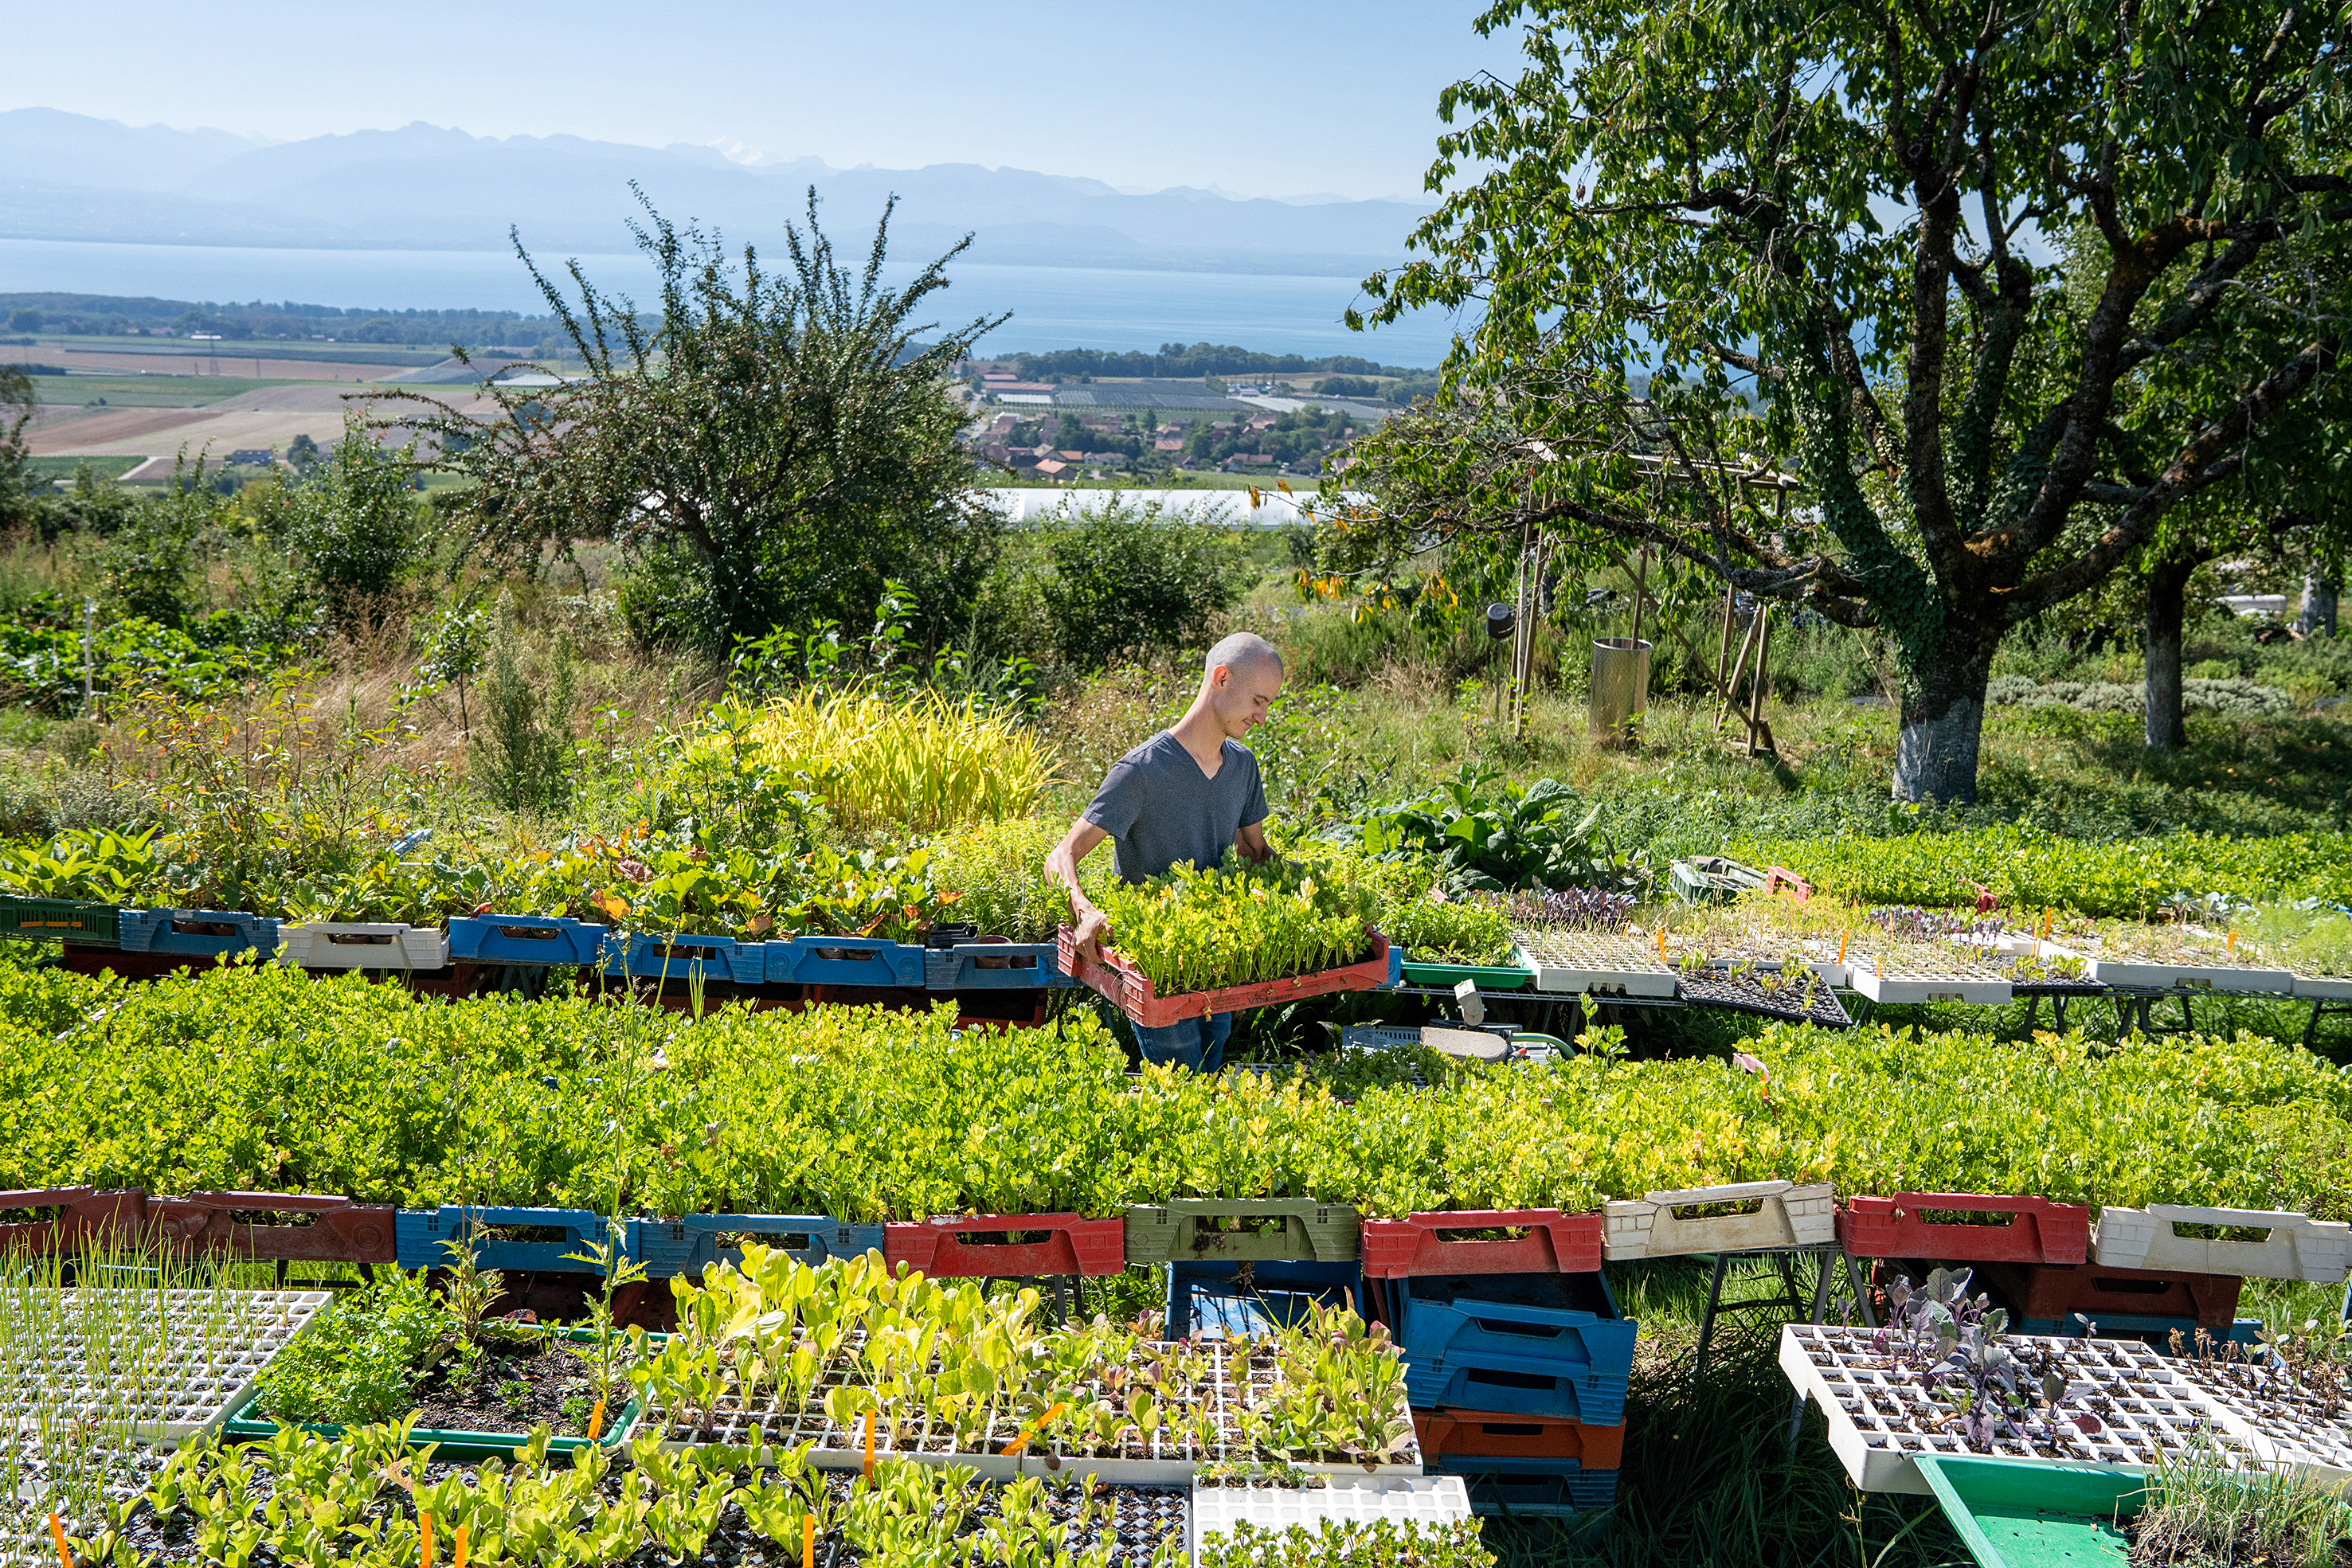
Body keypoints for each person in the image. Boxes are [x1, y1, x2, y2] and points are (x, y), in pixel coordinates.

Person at [1047, 631, 1283, 1072]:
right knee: (1184, 1081)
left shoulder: (1242, 767)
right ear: (1222, 679)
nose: (1262, 717)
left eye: (1268, 704)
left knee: (1207, 1074)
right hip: (1155, 967)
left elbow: (1255, 852)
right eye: (1257, 701)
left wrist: (1329, 896)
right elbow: (1062, 856)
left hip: (1217, 957)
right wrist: (1084, 910)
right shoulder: (1142, 771)